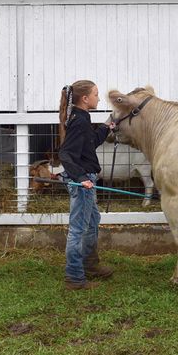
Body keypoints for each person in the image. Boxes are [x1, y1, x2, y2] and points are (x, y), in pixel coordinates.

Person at [58, 80, 115, 290]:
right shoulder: (79, 121)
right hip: (82, 183)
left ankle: (90, 264)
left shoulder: (81, 117)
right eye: (96, 94)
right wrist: (81, 178)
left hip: (87, 178)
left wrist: (106, 128)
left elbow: (89, 143)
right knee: (78, 229)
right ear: (85, 98)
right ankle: (74, 278)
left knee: (92, 222)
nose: (98, 98)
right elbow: (65, 153)